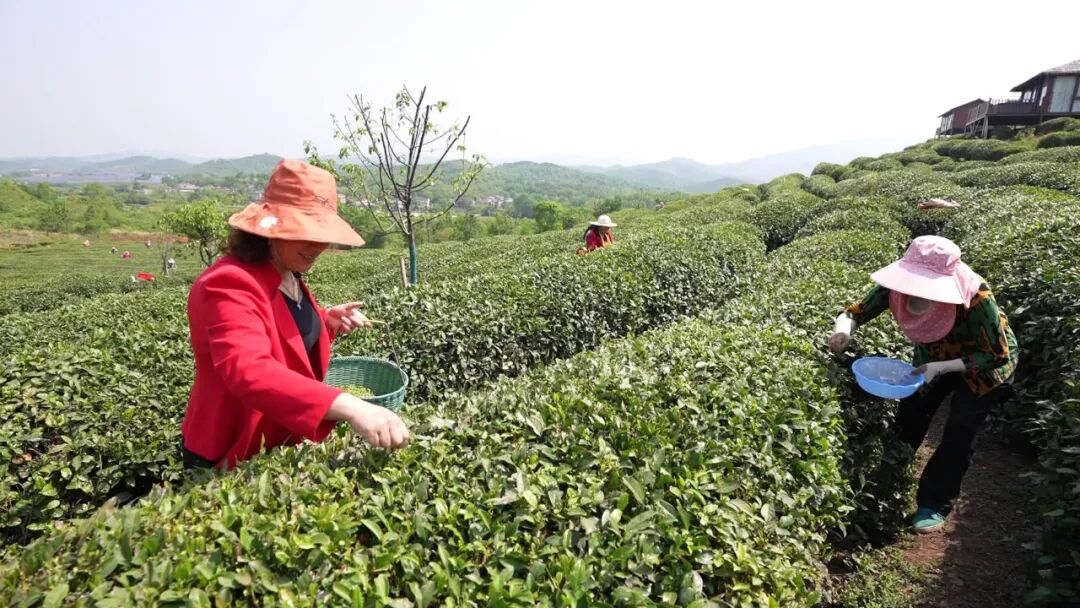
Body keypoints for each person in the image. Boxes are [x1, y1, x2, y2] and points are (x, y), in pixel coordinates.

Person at [181, 159, 410, 470]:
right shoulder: (228, 282)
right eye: (306, 232)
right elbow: (248, 368)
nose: (318, 245)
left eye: (322, 233)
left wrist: (327, 321)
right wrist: (349, 405)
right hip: (232, 445)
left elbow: (282, 332)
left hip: (278, 438)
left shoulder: (287, 271)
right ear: (274, 229)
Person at [828, 235, 1017, 533]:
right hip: (932, 359)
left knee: (959, 430)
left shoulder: (976, 297)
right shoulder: (896, 287)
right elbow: (855, 312)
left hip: (984, 367)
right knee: (911, 415)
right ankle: (887, 481)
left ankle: (934, 503)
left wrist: (942, 367)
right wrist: (843, 331)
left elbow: (997, 353)